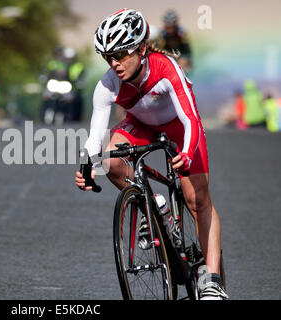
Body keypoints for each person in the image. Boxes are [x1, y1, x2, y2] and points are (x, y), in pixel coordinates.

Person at [75, 9, 228, 300]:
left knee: (197, 200)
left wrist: (185, 151)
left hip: (180, 127)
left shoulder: (166, 67)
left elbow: (191, 119)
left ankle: (212, 281)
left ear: (142, 48)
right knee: (109, 158)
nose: (114, 63)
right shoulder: (107, 84)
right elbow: (95, 135)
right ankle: (154, 204)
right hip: (141, 125)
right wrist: (85, 166)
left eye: (121, 54)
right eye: (108, 57)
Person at [157, 9, 192, 75]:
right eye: (168, 26)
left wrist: (189, 61)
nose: (170, 29)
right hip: (168, 53)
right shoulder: (161, 34)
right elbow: (159, 49)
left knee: (181, 68)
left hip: (181, 53)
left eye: (172, 26)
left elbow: (187, 49)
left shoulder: (182, 32)